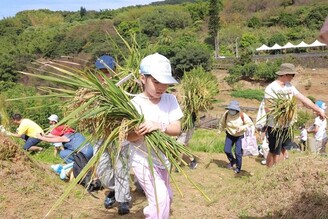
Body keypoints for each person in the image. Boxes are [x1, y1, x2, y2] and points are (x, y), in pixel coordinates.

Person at [127, 53, 183, 219]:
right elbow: (127, 137)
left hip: (163, 159)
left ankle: (151, 213)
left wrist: (160, 126)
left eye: (165, 82)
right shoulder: (134, 104)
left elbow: (177, 128)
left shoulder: (170, 100)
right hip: (142, 160)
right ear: (143, 78)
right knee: (161, 200)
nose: (161, 87)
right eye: (156, 81)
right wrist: (137, 132)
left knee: (167, 198)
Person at [264, 63, 326, 167]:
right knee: (274, 150)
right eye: (292, 75)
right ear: (285, 74)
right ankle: (269, 172)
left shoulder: (289, 86)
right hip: (275, 125)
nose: (293, 77)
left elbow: (304, 98)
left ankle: (279, 170)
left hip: (287, 125)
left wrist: (319, 110)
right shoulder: (271, 88)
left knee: (284, 148)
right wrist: (282, 112)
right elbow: (267, 108)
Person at [218, 100, 253, 174]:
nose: (232, 111)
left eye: (233, 109)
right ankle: (232, 161)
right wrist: (219, 130)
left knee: (238, 153)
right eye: (231, 109)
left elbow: (249, 124)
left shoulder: (242, 115)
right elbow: (222, 123)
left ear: (237, 110)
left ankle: (238, 167)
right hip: (230, 135)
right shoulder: (226, 114)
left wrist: (242, 128)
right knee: (227, 150)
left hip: (240, 136)